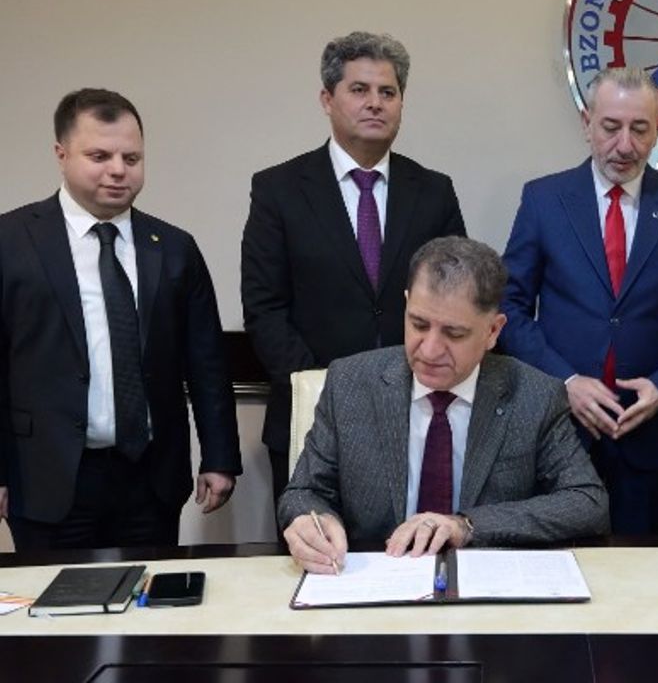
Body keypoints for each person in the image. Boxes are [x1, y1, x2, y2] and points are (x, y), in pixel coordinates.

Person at [0, 89, 241, 549]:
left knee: (149, 593)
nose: (118, 170)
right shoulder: (11, 242)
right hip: (47, 477)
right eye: (99, 156)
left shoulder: (174, 248)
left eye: (131, 158)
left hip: (150, 480)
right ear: (61, 154)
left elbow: (207, 363)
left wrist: (219, 457)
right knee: (54, 597)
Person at [279, 237, 608, 573]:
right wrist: (310, 520)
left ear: (493, 331)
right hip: (375, 579)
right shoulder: (350, 384)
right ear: (406, 305)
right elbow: (304, 491)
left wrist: (466, 525)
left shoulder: (534, 395)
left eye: (454, 334)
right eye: (419, 325)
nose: (430, 350)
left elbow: (587, 502)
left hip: (486, 584)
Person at [499, 67, 658, 535]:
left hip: (650, 435)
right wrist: (564, 381)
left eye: (639, 129)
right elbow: (509, 308)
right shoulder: (544, 200)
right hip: (560, 429)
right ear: (587, 124)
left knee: (643, 571)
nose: (624, 145)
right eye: (611, 127)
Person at [243, 31, 466, 503]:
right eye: (359, 90)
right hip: (311, 413)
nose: (375, 103)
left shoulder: (433, 191)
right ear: (327, 99)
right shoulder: (279, 189)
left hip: (417, 415)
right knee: (316, 544)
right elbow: (264, 308)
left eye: (388, 92)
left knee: (413, 546)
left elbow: (456, 300)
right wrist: (326, 390)